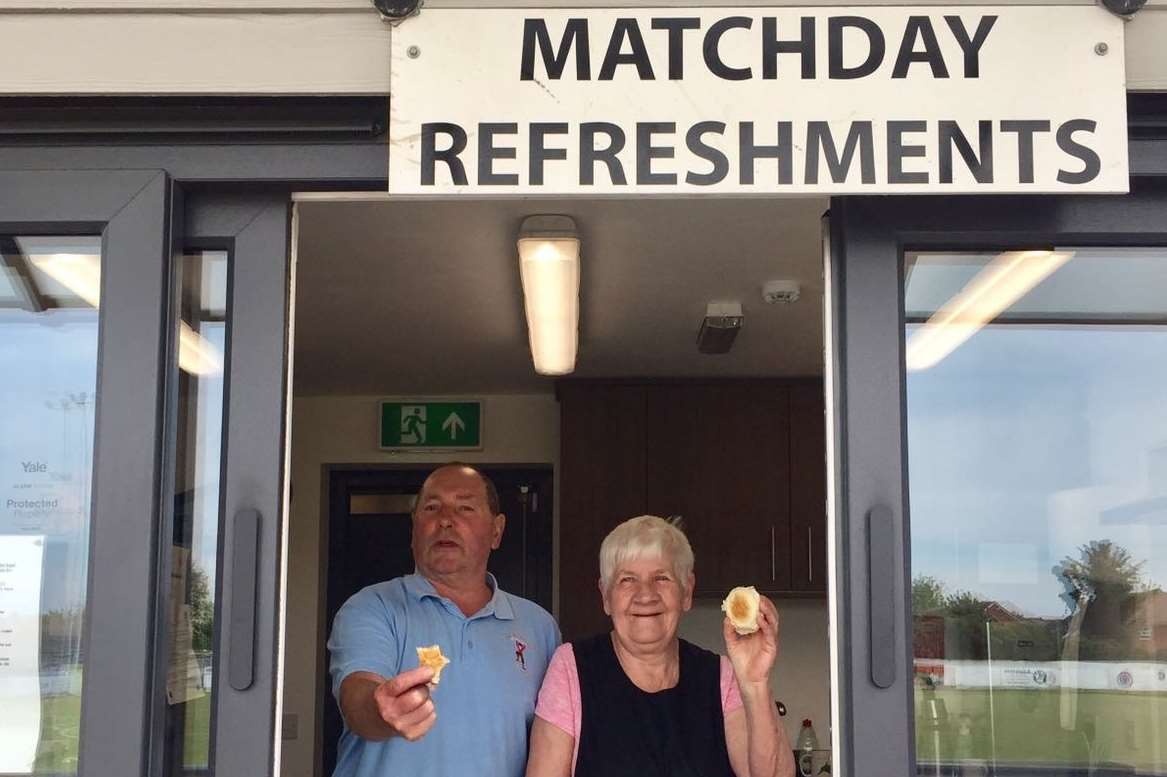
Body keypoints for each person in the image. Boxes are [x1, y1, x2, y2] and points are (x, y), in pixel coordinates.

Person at [328, 463, 560, 777]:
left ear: (496, 531)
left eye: (465, 508)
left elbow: (554, 743)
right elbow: (357, 695)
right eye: (432, 508)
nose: (446, 521)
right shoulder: (373, 606)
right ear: (414, 528)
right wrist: (382, 709)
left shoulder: (539, 627)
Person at [526, 515, 795, 777]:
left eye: (662, 578)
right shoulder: (572, 668)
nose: (645, 594)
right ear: (606, 596)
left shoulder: (721, 676)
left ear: (686, 592)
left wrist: (755, 683)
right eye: (627, 580)